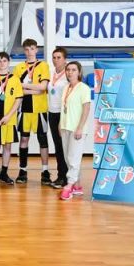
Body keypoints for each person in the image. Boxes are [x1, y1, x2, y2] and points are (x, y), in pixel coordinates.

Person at [13, 38, 51, 185]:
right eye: (27, 49)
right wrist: (35, 89)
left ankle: (45, 171)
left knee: (43, 140)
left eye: (32, 49)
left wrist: (25, 87)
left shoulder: (43, 66)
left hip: (40, 109)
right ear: (24, 50)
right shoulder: (19, 68)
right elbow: (17, 89)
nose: (30, 52)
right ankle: (22, 170)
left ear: (37, 49)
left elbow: (43, 87)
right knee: (24, 139)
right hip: (24, 110)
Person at [58, 62, 91, 201]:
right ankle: (77, 186)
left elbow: (86, 109)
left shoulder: (84, 88)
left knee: (73, 158)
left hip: (77, 129)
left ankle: (69, 185)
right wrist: (60, 124)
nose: (70, 72)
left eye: (73, 70)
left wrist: (80, 127)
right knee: (68, 158)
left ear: (79, 72)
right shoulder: (66, 88)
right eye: (68, 70)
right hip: (65, 127)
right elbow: (63, 108)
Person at [0, 52, 23, 185]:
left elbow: (18, 99)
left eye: (4, 61)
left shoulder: (14, 79)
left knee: (7, 146)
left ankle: (4, 173)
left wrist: (9, 115)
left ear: (8, 62)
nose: (2, 63)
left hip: (9, 119)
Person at [47, 47, 70, 189]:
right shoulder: (51, 73)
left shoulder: (68, 74)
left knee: (64, 146)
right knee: (57, 146)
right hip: (52, 113)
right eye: (54, 57)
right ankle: (61, 175)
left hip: (63, 114)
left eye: (59, 57)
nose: (56, 60)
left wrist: (63, 117)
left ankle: (65, 177)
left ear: (65, 59)